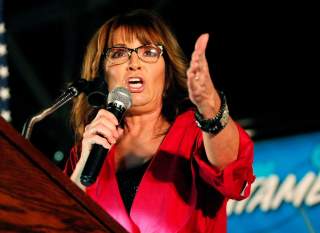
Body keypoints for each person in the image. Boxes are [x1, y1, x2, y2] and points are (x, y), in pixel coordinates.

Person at [64, 8, 255, 233]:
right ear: (103, 76)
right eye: (118, 53)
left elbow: (230, 167)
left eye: (149, 52)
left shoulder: (192, 132)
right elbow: (61, 223)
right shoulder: (85, 151)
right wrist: (82, 167)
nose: (134, 63)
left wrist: (210, 106)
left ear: (167, 74)